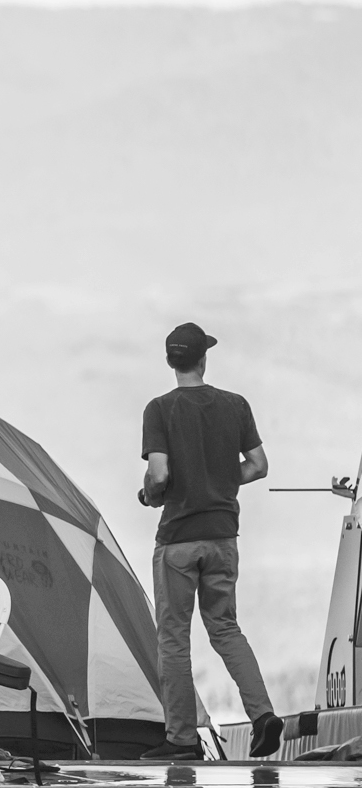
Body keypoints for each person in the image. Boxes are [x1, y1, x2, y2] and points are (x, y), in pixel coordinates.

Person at [137, 322, 281, 760]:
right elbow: (258, 465)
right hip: (223, 537)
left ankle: (181, 739)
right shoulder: (235, 405)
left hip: (179, 540)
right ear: (203, 359)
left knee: (174, 638)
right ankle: (263, 715)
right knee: (225, 627)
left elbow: (159, 473)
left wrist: (150, 494)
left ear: (170, 362)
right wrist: (220, 481)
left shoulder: (159, 409)